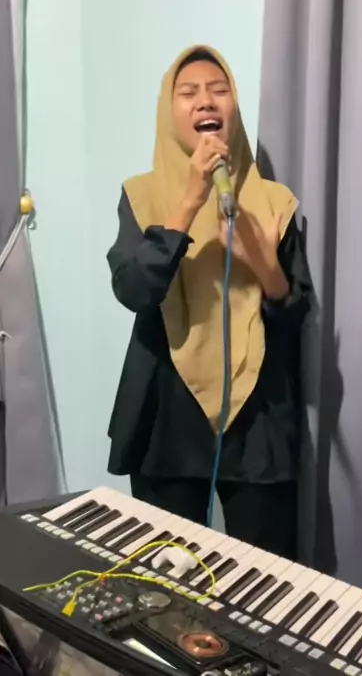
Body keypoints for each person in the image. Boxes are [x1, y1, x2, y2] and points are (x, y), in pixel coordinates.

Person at [107, 46, 312, 560]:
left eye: (219, 91)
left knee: (264, 580)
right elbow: (134, 290)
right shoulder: (142, 196)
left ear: (233, 108)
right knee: (165, 582)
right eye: (189, 92)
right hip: (166, 415)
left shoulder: (274, 202)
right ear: (169, 110)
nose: (206, 101)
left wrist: (262, 261)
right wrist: (189, 202)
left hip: (258, 418)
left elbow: (295, 318)